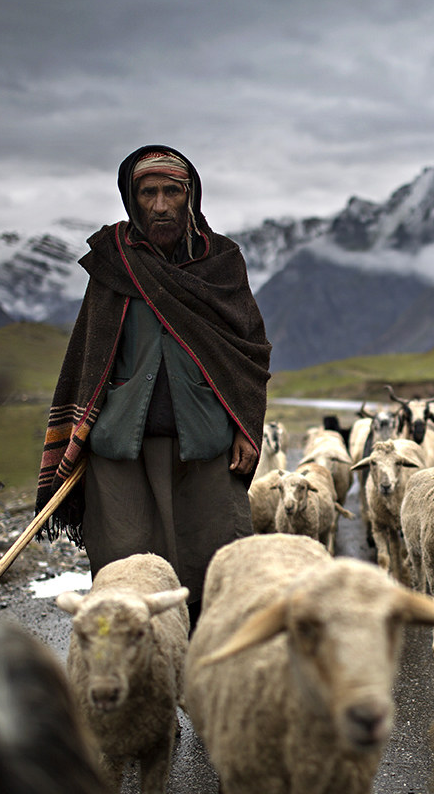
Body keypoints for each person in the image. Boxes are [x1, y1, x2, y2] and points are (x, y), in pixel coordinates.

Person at [36, 145, 271, 628]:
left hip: (204, 442)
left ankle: (211, 678)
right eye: (149, 193)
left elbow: (248, 353)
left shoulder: (222, 263)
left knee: (216, 566)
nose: (160, 205)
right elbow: (89, 355)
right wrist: (77, 437)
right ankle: (141, 677)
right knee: (126, 573)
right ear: (131, 197)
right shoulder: (113, 263)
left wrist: (247, 427)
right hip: (121, 447)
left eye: (171, 191)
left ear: (190, 196)